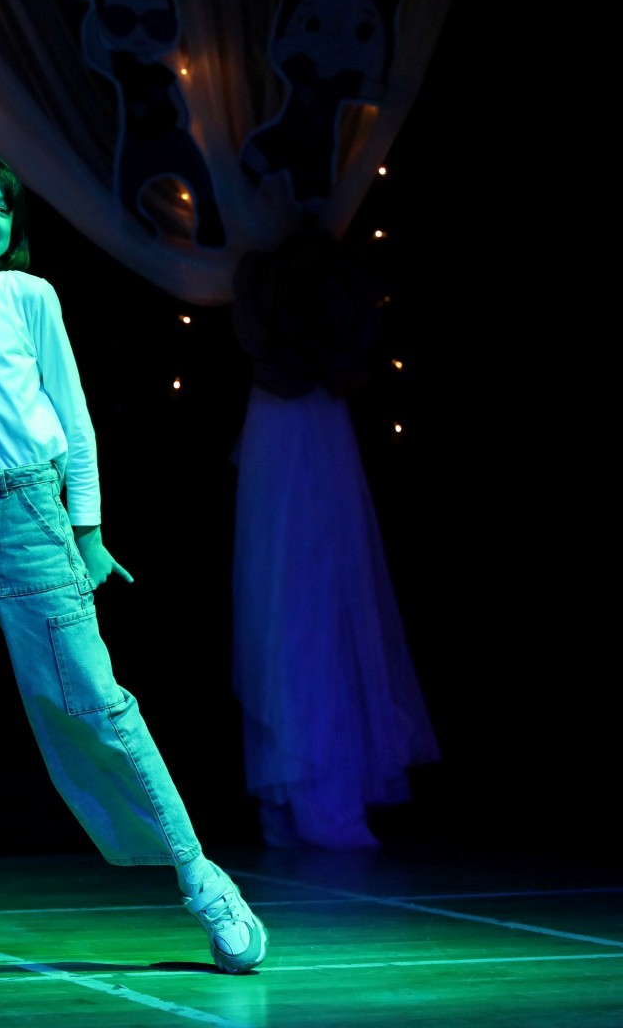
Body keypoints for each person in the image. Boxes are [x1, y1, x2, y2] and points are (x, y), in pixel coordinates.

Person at [0, 144, 267, 987]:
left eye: (2, 206)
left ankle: (202, 881)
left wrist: (87, 531)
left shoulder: (29, 295)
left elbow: (75, 417)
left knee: (93, 706)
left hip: (31, 517)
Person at [229, 226, 439, 850]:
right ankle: (295, 788)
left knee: (324, 593)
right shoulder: (263, 275)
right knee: (287, 594)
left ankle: (319, 786)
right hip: (284, 422)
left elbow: (345, 337)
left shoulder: (320, 274)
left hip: (315, 422)